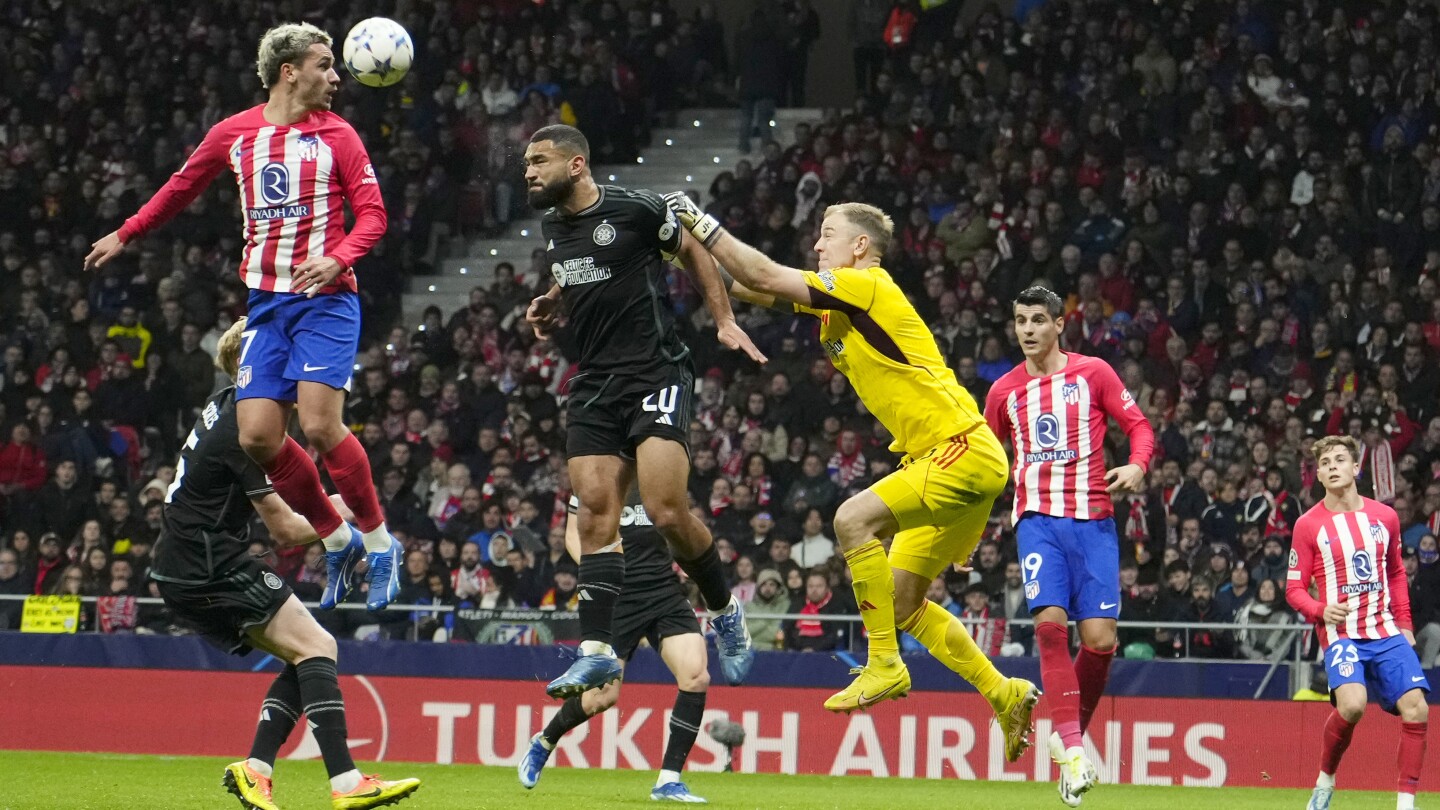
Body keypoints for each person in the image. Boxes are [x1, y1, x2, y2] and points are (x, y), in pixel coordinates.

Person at [663, 195, 1038, 760]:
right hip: (954, 458)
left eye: (827, 234)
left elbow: (760, 270)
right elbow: (740, 285)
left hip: (957, 451)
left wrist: (697, 217)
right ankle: (1003, 691)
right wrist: (676, 247)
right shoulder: (834, 305)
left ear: (860, 247)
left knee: (851, 519)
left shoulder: (867, 285)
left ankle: (884, 663)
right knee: (905, 601)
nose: (817, 244)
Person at [82, 22, 402, 614]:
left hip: (326, 302)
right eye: (325, 65)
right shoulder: (235, 133)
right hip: (267, 306)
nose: (336, 77)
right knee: (257, 437)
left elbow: (374, 219)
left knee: (321, 426)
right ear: (289, 71)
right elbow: (181, 188)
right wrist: (126, 233)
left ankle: (380, 545)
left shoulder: (340, 135)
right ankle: (336, 538)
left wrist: (338, 259)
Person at [522, 124, 764, 697]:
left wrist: (723, 319)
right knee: (595, 513)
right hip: (595, 383)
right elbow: (576, 268)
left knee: (665, 512)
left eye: (539, 161)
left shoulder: (637, 209)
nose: (527, 171)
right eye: (525, 163)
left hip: (656, 372)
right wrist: (553, 300)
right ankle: (597, 651)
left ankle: (724, 607)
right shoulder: (554, 224)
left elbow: (692, 250)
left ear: (576, 165)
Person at [150, 318, 418, 810]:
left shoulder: (225, 406)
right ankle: (345, 783)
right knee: (317, 646)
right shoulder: (246, 434)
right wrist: (358, 513)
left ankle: (257, 770)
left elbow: (305, 500)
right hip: (206, 562)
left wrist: (344, 503)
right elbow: (288, 531)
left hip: (187, 559)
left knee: (309, 650)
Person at [983, 285, 1155, 806]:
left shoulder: (1094, 373)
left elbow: (1139, 426)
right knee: (1051, 629)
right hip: (1038, 523)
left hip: (1094, 523)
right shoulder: (1003, 393)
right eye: (1020, 320)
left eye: (1038, 319)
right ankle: (1076, 754)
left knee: (1100, 641)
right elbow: (987, 469)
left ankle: (1068, 734)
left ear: (1060, 324)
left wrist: (1137, 465)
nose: (1028, 329)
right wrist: (965, 532)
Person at [517, 485, 709, 803]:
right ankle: (545, 741)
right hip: (618, 598)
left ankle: (668, 780)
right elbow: (573, 537)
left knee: (696, 676)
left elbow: (681, 528)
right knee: (601, 698)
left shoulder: (660, 477)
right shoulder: (594, 480)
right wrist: (600, 571)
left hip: (664, 592)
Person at [1289, 435, 1429, 810]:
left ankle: (1405, 804)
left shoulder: (1385, 517)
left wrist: (1406, 624)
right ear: (1318, 475)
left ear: (1355, 468)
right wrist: (1320, 611)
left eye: (1340, 459)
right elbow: (1293, 589)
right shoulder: (1307, 525)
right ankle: (1325, 779)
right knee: (1352, 706)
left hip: (1385, 629)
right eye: (1326, 463)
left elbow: (1397, 573)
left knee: (1417, 708)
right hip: (1342, 633)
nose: (1333, 466)